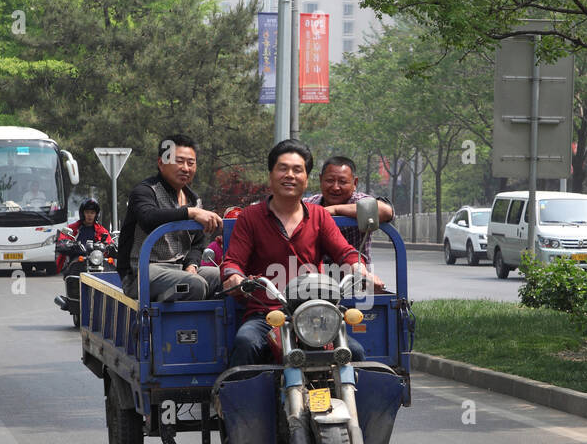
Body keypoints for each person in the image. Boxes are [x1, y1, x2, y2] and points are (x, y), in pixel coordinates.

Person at [221, 139, 384, 367]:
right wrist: (235, 278)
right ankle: (237, 403)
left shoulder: (319, 216)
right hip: (267, 315)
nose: (290, 175)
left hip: (315, 315)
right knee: (246, 342)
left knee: (354, 353)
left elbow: (345, 252)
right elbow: (233, 262)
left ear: (306, 179)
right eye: (283, 168)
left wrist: (360, 270)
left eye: (297, 170)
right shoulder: (250, 217)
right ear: (270, 175)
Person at [116, 134, 222, 301]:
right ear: (161, 163)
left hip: (180, 271)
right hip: (143, 272)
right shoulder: (145, 191)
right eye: (179, 161)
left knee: (227, 278)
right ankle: (176, 324)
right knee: (194, 284)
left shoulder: (194, 200)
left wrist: (192, 265)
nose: (186, 168)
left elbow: (198, 243)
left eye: (191, 163)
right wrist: (190, 213)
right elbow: (148, 218)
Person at [303, 156, 395, 265]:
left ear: (354, 183)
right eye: (330, 180)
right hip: (314, 277)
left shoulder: (360, 201)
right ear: (320, 180)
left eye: (342, 182)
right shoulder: (309, 203)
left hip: (355, 276)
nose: (335, 187)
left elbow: (386, 211)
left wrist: (335, 209)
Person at [56, 198, 112, 273]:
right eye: (87, 212)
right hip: (78, 261)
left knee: (111, 272)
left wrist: (110, 246)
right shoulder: (73, 228)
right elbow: (62, 239)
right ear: (82, 213)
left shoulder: (101, 230)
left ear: (96, 214)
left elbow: (109, 242)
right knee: (70, 275)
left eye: (92, 212)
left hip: (97, 262)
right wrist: (66, 243)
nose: (89, 215)